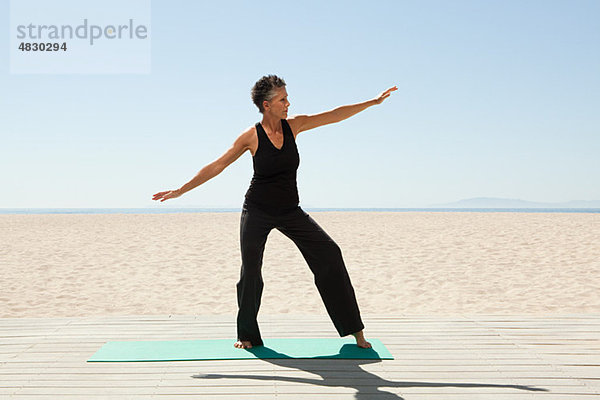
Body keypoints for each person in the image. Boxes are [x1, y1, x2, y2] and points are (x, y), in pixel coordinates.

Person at [153, 75, 397, 349]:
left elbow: (334, 115)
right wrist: (181, 190)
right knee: (251, 270)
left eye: (287, 98)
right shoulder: (251, 136)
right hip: (257, 210)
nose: (288, 103)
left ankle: (355, 331)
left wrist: (373, 102)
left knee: (330, 253)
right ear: (267, 105)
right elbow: (218, 165)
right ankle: (246, 335)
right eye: (283, 99)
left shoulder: (295, 126)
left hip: (290, 210)